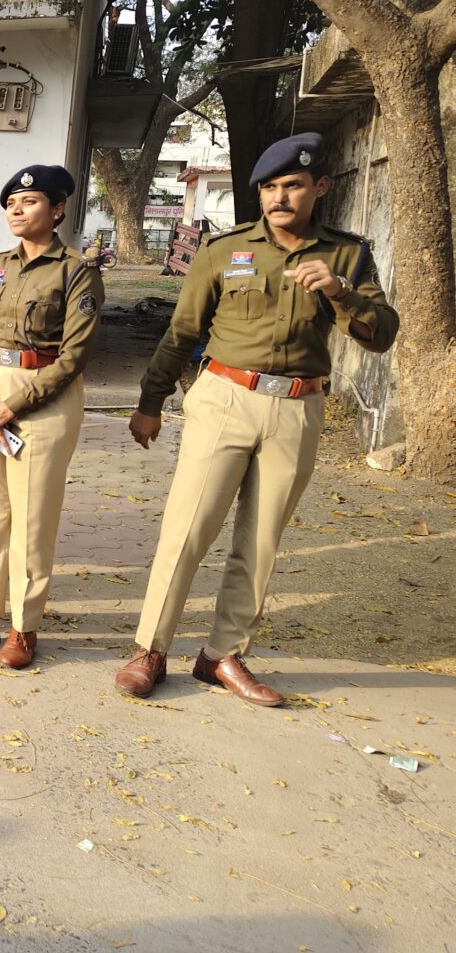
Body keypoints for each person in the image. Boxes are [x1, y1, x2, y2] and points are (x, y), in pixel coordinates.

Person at [115, 133, 399, 705]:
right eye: (269, 187)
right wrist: (151, 403)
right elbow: (183, 331)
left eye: (293, 185)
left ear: (320, 187)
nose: (279, 197)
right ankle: (151, 649)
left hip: (297, 407)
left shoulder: (347, 256)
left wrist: (341, 293)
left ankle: (222, 655)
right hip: (225, 397)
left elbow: (381, 334)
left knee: (261, 539)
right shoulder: (224, 251)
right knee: (188, 528)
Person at [0, 165, 102, 668]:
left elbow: (75, 355)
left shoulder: (76, 270)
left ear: (57, 209)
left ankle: (24, 627)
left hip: (43, 398)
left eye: (29, 201)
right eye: (11, 203)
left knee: (32, 519)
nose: (16, 209)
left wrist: (12, 406)